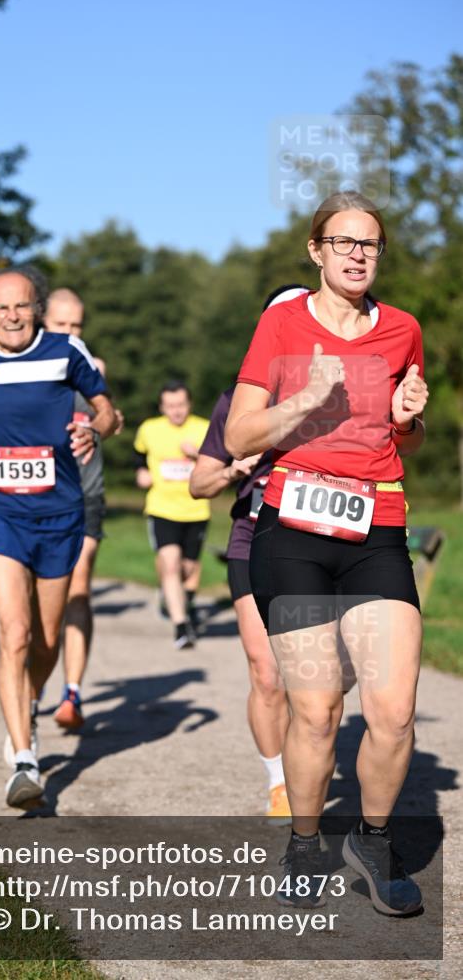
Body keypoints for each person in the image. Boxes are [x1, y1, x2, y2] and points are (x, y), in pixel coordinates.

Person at [225, 191, 429, 915]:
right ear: (316, 251)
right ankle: (305, 842)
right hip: (293, 536)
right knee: (315, 711)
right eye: (342, 242)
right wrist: (304, 399)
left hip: (377, 528)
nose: (356, 255)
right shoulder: (282, 323)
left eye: (368, 244)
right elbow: (240, 436)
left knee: (393, 711)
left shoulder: (402, 329)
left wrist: (407, 423)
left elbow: (406, 440)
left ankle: (373, 840)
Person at [0, 265, 116, 808]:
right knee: (13, 632)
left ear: (37, 309)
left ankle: (30, 701)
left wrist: (93, 430)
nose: (12, 316)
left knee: (46, 638)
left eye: (21, 305)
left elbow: (109, 412)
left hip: (60, 512)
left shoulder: (65, 352)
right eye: (1, 307)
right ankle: (23, 760)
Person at [189, 285, 309, 819]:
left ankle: (313, 761)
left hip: (319, 545)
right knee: (266, 672)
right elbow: (198, 484)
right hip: (252, 541)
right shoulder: (236, 401)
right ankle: (280, 781)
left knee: (318, 678)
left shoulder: (341, 396)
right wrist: (231, 470)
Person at [42, 288, 124, 730]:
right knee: (39, 603)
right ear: (43, 324)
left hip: (85, 495)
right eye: (61, 326)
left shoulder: (94, 369)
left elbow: (112, 419)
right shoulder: (25, 372)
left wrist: (103, 425)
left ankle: (71, 692)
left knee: (78, 586)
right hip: (38, 500)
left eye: (77, 326)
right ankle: (34, 680)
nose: (71, 334)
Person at [134, 382, 210, 649]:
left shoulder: (203, 428)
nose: (176, 411)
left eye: (180, 405)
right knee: (170, 563)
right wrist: (141, 472)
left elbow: (221, 463)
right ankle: (181, 627)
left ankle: (175, 596)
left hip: (196, 509)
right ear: (162, 407)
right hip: (161, 508)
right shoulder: (149, 429)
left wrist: (197, 454)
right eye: (170, 406)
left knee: (188, 568)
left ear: (189, 404)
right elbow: (138, 454)